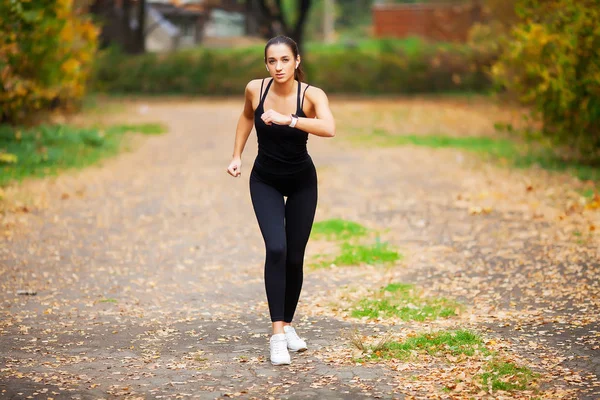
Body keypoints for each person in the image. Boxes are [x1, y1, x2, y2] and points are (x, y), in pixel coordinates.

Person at [226, 35, 336, 366]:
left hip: (302, 180)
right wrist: (236, 156)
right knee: (276, 248)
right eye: (272, 61)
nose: (278, 67)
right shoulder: (255, 90)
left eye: (285, 60)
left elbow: (329, 127)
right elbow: (247, 117)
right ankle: (277, 337)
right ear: (266, 64)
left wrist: (289, 119)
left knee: (294, 256)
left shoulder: (311, 94)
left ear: (297, 61)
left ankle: (287, 325)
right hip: (266, 179)